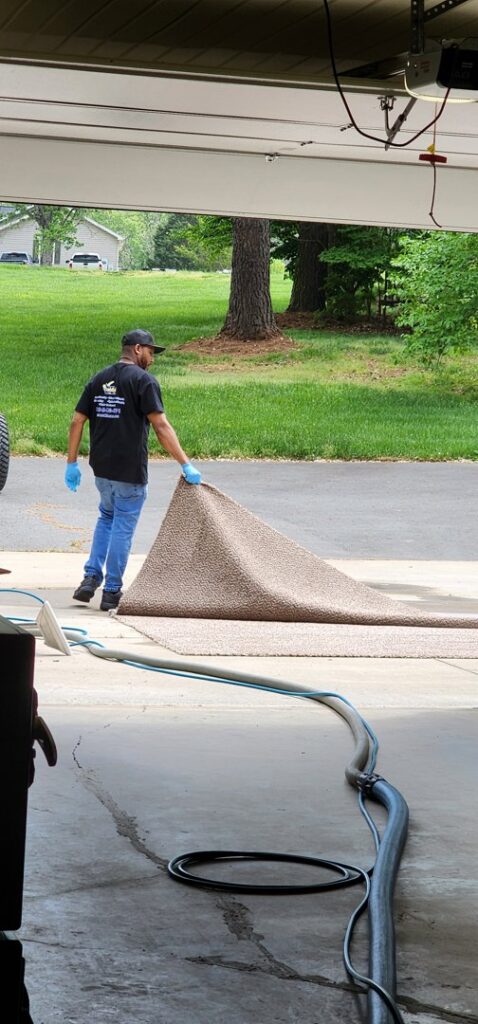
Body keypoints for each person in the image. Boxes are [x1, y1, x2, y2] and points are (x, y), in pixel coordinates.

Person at [65, 328, 201, 611]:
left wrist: (71, 463)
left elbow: (77, 421)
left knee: (106, 517)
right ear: (137, 349)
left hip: (101, 469)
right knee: (122, 527)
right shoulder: (144, 382)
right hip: (130, 471)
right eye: (151, 352)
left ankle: (90, 579)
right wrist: (185, 464)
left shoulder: (99, 379)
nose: (152, 358)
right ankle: (112, 590)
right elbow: (162, 427)